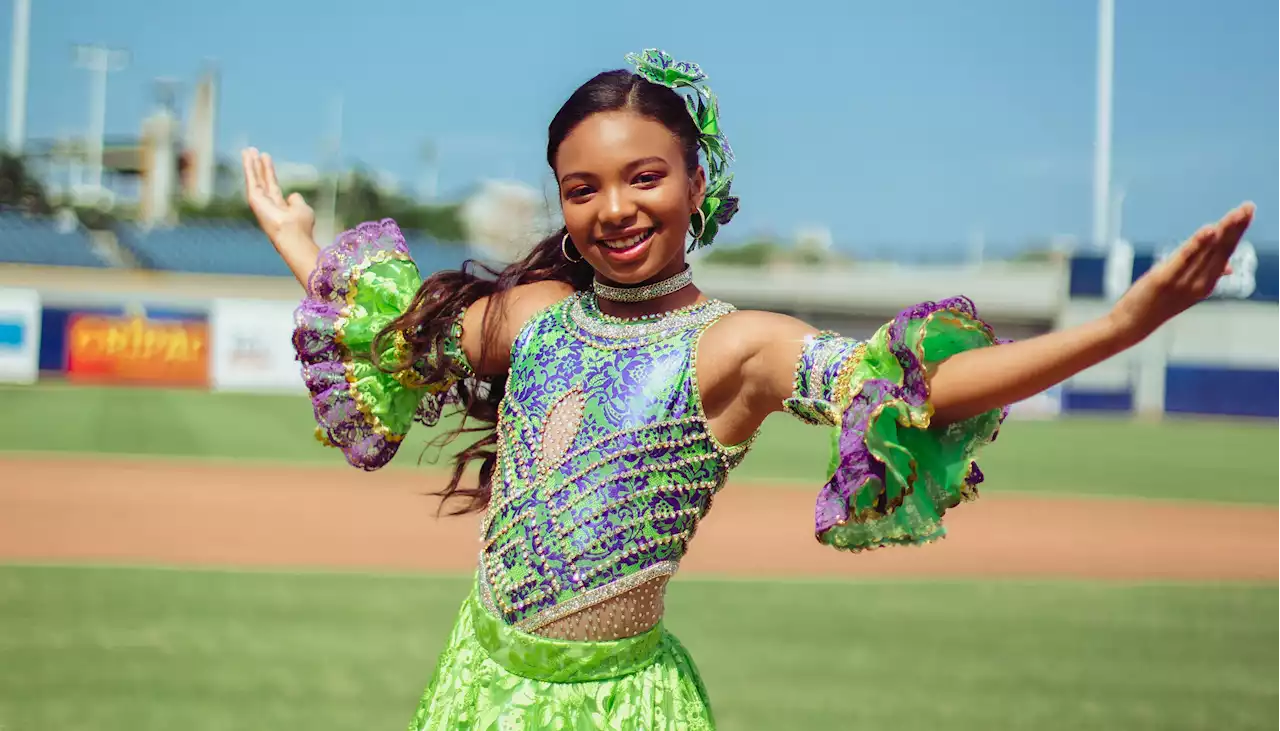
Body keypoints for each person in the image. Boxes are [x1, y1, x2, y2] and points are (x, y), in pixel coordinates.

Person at [241, 48, 1254, 730]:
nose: (614, 208)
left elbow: (916, 388)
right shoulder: (536, 314)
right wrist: (300, 245)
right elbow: (399, 335)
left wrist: (1119, 327)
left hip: (620, 708)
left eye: (645, 177)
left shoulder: (733, 348)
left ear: (695, 181)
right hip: (475, 681)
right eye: (581, 188)